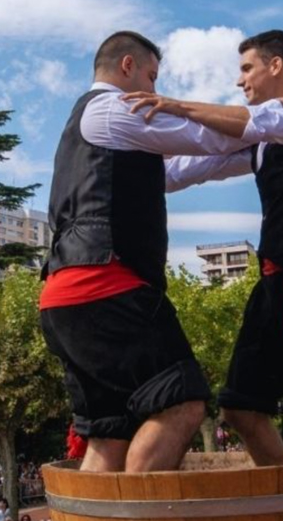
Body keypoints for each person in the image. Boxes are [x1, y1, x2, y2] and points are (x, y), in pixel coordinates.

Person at [127, 30, 283, 465]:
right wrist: (117, 159)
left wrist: (176, 106)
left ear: (276, 66)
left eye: (246, 68)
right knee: (239, 406)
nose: (240, 81)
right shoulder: (262, 144)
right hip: (274, 284)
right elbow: (183, 171)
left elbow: (258, 121)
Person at [38, 31, 266, 473]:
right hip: (105, 288)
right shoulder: (113, 108)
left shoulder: (99, 134)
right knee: (183, 402)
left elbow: (188, 167)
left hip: (64, 299)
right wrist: (277, 119)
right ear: (127, 67)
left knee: (109, 434)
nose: (155, 92)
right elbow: (208, 138)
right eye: (152, 77)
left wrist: (260, 153)